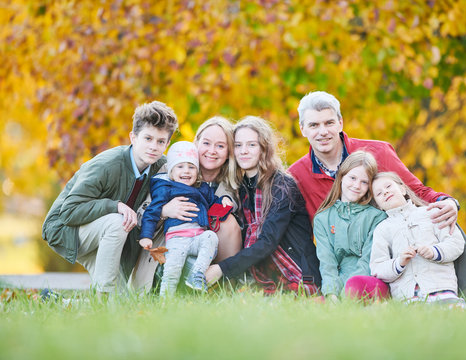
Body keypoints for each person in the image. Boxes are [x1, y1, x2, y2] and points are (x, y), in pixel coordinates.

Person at [287, 91, 466, 299]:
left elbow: (415, 190)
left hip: (394, 243)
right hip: (349, 261)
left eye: (329, 123)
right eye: (314, 125)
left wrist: (448, 202)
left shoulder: (377, 152)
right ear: (302, 129)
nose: (323, 132)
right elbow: (301, 232)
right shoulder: (296, 175)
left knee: (441, 215)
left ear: (340, 123)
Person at [42, 101, 178, 294]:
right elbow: (68, 212)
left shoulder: (162, 167)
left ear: (167, 144)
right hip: (68, 229)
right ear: (133, 137)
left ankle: (59, 301)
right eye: (148, 138)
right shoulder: (107, 165)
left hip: (108, 236)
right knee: (117, 221)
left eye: (160, 141)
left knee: (121, 304)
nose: (153, 147)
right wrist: (115, 205)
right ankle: (104, 297)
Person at [206, 116, 321, 294]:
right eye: (238, 145)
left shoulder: (282, 186)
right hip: (260, 270)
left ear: (263, 148)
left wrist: (222, 268)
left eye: (252, 145)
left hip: (295, 270)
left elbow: (268, 242)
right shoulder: (243, 187)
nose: (244, 151)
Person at [130, 116, 242, 292]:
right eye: (206, 143)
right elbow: (140, 216)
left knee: (228, 223)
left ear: (229, 152)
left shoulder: (230, 183)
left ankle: (224, 288)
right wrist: (164, 211)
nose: (212, 151)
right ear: (196, 144)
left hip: (204, 246)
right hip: (169, 246)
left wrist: (227, 204)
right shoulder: (170, 170)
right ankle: (165, 290)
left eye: (220, 146)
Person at [370, 172, 465, 305]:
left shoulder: (431, 213)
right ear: (378, 205)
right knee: (416, 321)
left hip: (440, 288)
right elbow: (377, 267)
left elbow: (456, 243)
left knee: (451, 313)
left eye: (388, 186)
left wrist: (434, 251)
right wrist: (399, 262)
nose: (385, 192)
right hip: (407, 297)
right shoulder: (382, 230)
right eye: (379, 193)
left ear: (403, 189)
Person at [314, 151, 388, 302]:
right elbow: (327, 262)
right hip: (338, 280)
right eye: (352, 178)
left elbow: (367, 260)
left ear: (369, 187)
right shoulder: (322, 218)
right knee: (314, 305)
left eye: (364, 182)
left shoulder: (377, 217)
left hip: (367, 279)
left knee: (355, 288)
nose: (356, 186)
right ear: (341, 177)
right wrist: (332, 294)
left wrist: (348, 293)